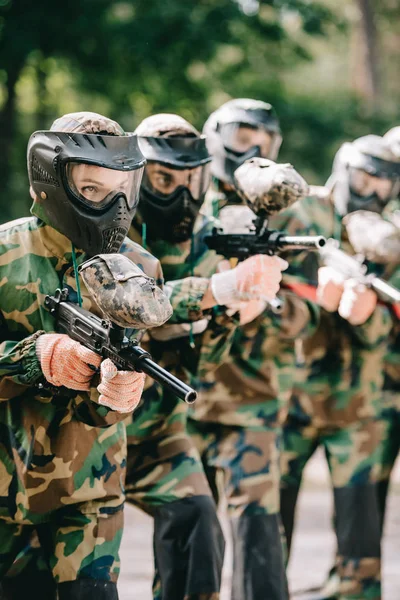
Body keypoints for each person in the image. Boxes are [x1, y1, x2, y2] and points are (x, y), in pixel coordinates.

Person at [0, 111, 172, 600]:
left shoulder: (137, 267)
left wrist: (118, 393)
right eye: (94, 190)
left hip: (90, 492)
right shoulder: (3, 253)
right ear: (49, 182)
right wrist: (35, 357)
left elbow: (120, 377)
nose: (115, 206)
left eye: (123, 190)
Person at [125, 112, 287, 600]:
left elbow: (202, 363)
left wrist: (230, 313)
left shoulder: (205, 234)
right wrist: (216, 290)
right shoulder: (110, 227)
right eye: (163, 178)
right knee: (80, 566)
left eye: (189, 178)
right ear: (137, 176)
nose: (180, 192)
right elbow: (134, 302)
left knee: (199, 527)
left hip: (159, 431)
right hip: (89, 429)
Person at [185, 98, 320, 600]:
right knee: (190, 528)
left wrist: (269, 299)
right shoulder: (184, 197)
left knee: (258, 525)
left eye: (266, 140)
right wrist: (213, 286)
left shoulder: (289, 213)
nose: (256, 148)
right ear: (215, 135)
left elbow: (310, 307)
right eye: (244, 136)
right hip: (188, 392)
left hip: (257, 394)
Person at [279, 134, 400, 600]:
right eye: (364, 175)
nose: (370, 188)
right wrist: (311, 286)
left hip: (359, 406)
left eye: (383, 182)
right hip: (290, 393)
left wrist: (366, 313)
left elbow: (385, 336)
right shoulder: (301, 210)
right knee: (270, 520)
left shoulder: (388, 235)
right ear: (342, 167)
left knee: (360, 530)